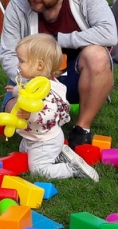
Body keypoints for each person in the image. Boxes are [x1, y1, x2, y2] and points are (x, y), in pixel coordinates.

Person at [0, 0, 117, 149]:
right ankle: (42, 133)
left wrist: (59, 40)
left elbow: (109, 33)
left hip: (76, 73)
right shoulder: (18, 2)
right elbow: (9, 53)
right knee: (14, 111)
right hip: (33, 77)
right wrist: (30, 86)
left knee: (97, 54)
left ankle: (81, 129)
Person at [10, 34, 99, 182]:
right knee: (23, 156)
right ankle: (57, 154)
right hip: (33, 135)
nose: (18, 65)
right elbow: (23, 90)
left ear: (39, 65)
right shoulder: (33, 81)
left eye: (21, 61)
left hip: (45, 139)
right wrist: (14, 90)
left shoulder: (50, 91)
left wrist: (30, 116)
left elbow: (50, 115)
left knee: (38, 170)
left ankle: (71, 169)